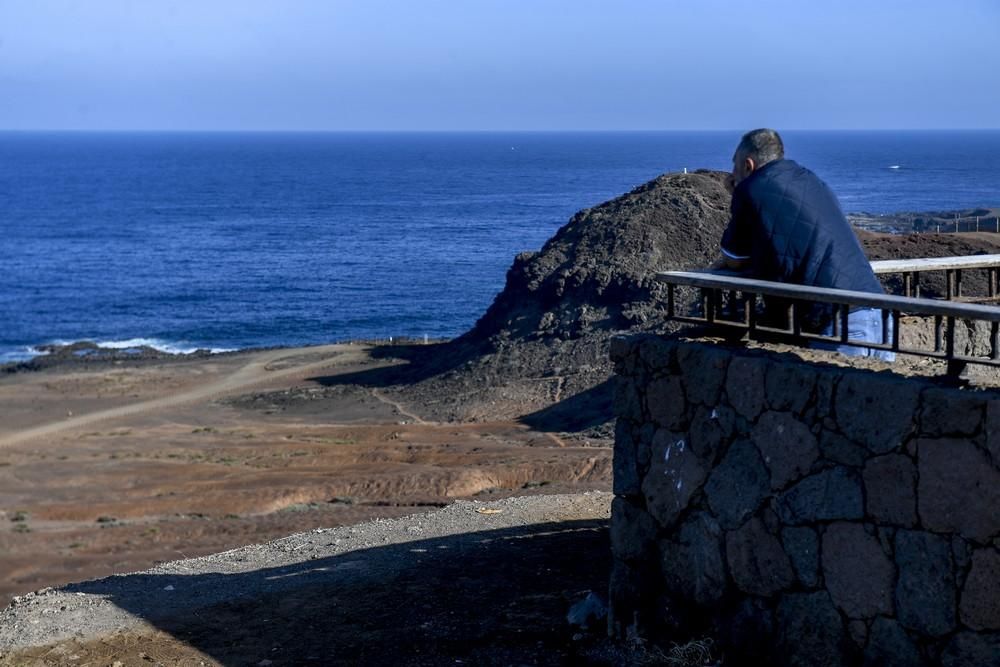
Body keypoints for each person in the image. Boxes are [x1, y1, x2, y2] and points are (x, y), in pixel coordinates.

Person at [716, 128, 894, 361]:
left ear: (748, 165)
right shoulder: (809, 178)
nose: (732, 173)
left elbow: (735, 257)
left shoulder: (750, 189)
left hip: (837, 319)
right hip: (878, 311)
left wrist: (738, 191)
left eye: (734, 166)